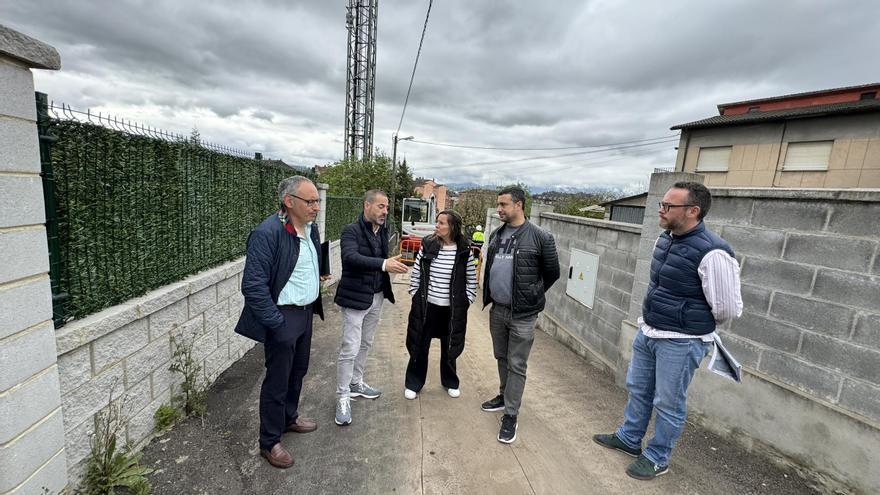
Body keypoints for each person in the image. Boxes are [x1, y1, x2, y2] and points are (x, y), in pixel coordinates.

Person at [593, 181, 742, 481]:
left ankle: (658, 456)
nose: (660, 210)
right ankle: (629, 438)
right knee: (639, 388)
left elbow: (727, 308)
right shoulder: (665, 239)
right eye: (661, 204)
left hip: (681, 341)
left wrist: (686, 318)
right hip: (649, 331)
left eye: (668, 206)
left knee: (668, 402)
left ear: (692, 211)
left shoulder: (713, 252)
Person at [234, 176, 330, 469]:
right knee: (277, 380)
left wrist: (321, 275)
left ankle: (289, 418)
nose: (316, 206)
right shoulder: (268, 233)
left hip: (304, 314)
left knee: (298, 372)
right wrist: (276, 322)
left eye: (317, 201)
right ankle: (269, 441)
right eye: (310, 201)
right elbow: (253, 286)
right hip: (283, 316)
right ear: (289, 202)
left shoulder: (310, 229)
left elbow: (313, 258)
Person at [481, 186, 560, 443]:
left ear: (519, 205)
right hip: (498, 310)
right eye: (498, 205)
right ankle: (504, 396)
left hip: (523, 315)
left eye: (504, 204)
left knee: (517, 363)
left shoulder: (540, 237)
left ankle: (511, 415)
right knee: (501, 356)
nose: (499, 209)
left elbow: (552, 273)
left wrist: (532, 294)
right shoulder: (496, 234)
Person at [333, 189, 409, 426]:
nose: (385, 211)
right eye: (380, 206)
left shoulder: (382, 230)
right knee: (350, 347)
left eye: (386, 207)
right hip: (355, 299)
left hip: (376, 297)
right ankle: (343, 396)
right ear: (367, 206)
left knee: (365, 343)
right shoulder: (351, 231)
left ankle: (356, 383)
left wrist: (385, 268)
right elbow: (350, 258)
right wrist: (384, 264)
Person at [404, 210, 478, 400]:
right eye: (437, 222)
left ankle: (450, 382)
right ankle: (414, 383)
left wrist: (467, 300)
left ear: (452, 227)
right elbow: (417, 272)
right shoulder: (427, 244)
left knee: (449, 347)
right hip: (427, 306)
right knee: (419, 346)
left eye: (441, 223)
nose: (437, 226)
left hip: (451, 309)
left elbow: (471, 279)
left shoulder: (464, 250)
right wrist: (415, 293)